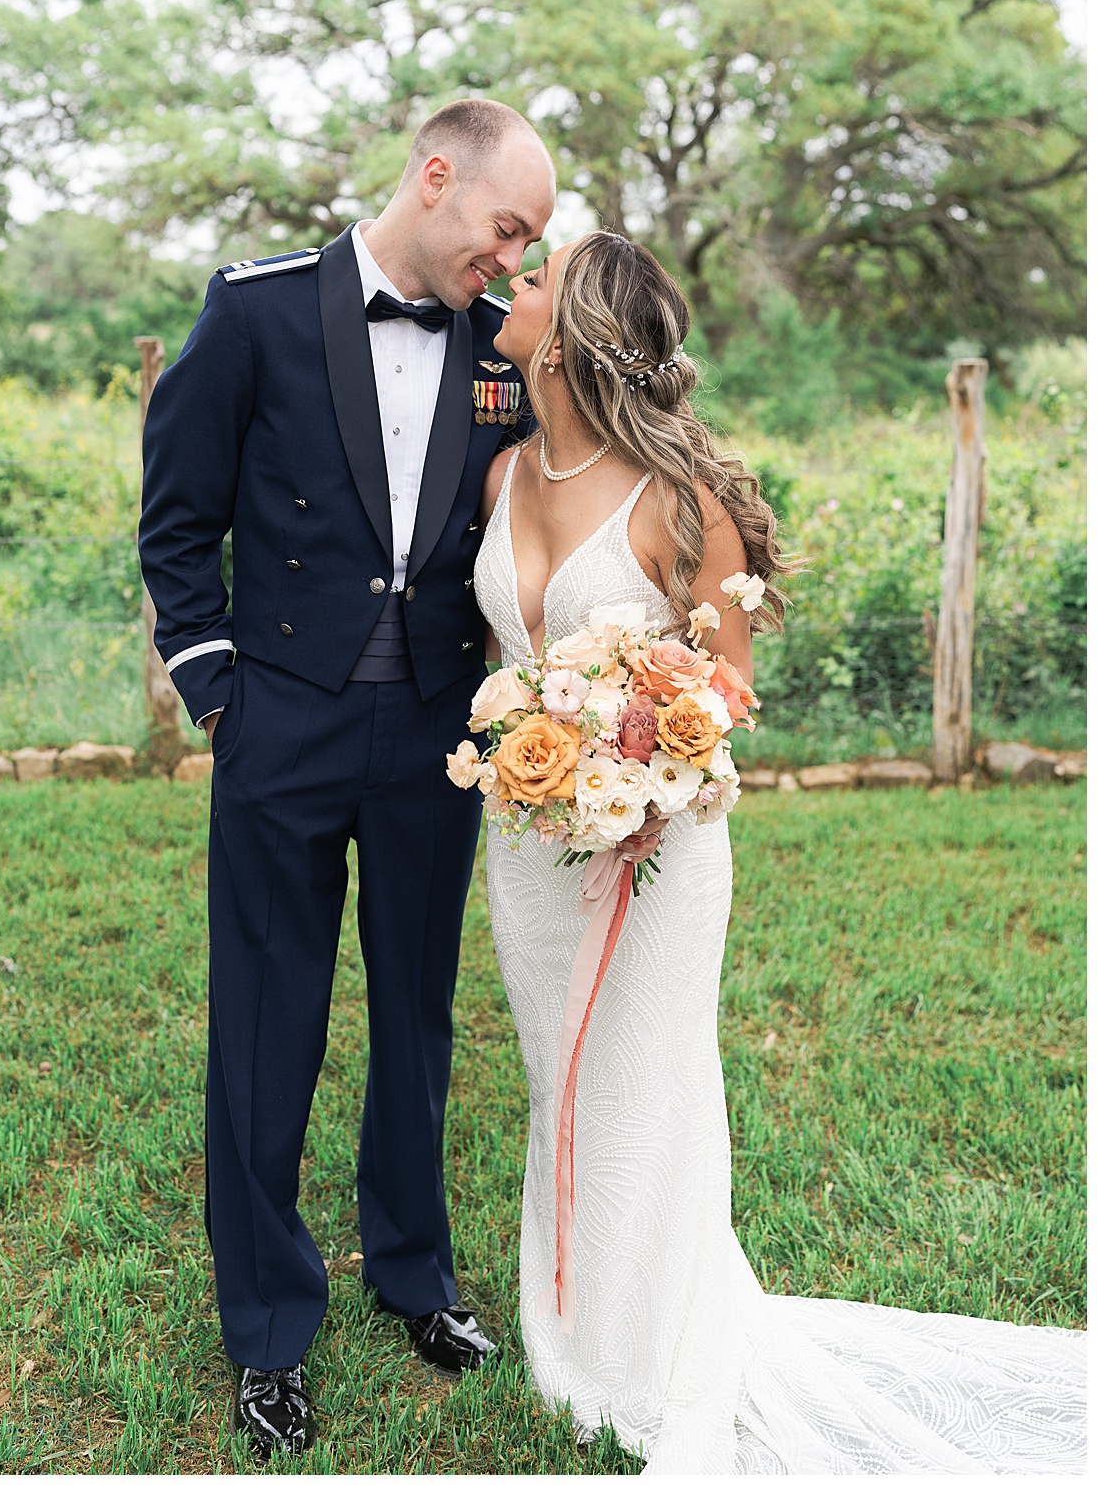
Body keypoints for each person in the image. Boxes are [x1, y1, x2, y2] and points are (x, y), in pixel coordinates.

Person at [473, 230, 1086, 1474]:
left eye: (532, 279)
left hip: (656, 847)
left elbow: (726, 697)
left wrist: (635, 768)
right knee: (562, 1082)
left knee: (649, 1082)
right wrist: (548, 760)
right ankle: (575, 1328)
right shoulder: (499, 478)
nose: (508, 288)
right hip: (533, 845)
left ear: (580, 328)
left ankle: (659, 1352)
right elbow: (505, 663)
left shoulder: (681, 506)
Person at [139, 98, 556, 1458]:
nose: (510, 259)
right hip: (283, 726)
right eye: (506, 228)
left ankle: (414, 1270)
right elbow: (178, 518)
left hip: (433, 728)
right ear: (436, 178)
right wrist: (218, 692)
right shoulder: (254, 310)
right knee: (267, 1021)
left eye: (532, 243)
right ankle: (267, 1324)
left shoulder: (500, 341)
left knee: (420, 1017)